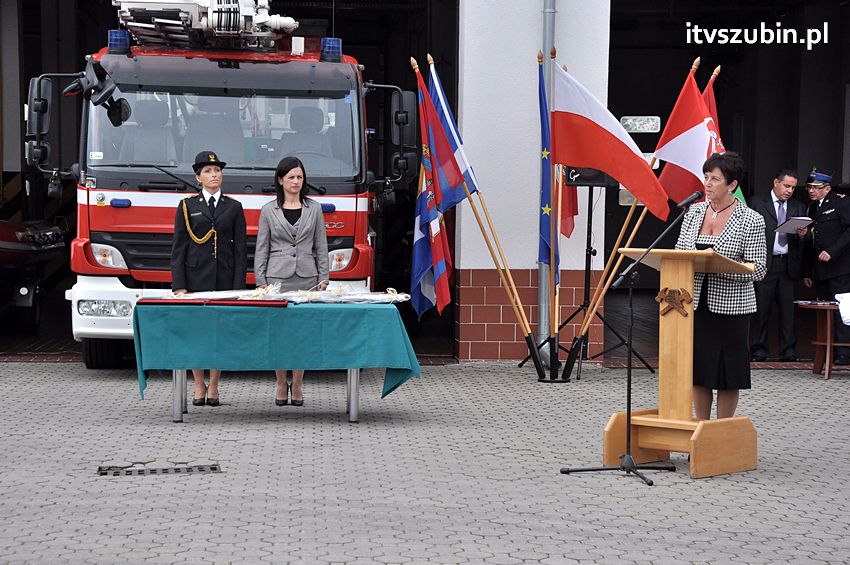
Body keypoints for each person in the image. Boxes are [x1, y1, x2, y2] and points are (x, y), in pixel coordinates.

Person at [675, 152, 766, 420]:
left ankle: (722, 433)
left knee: (728, 374)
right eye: (706, 177)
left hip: (732, 309)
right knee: (700, 371)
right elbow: (680, 251)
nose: (708, 183)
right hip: (696, 304)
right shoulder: (693, 212)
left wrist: (721, 266)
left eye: (715, 178)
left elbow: (758, 268)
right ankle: (701, 430)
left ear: (732, 185)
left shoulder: (751, 219)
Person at [171, 150, 248, 406]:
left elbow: (240, 251)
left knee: (219, 334)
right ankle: (198, 383)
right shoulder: (186, 206)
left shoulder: (234, 207)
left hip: (224, 280)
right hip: (195, 281)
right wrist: (179, 285)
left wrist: (239, 287)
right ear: (198, 177)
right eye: (208, 171)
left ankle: (214, 384)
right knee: (195, 334)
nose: (214, 175)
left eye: (217, 170)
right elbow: (178, 248)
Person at [254, 156, 329, 407]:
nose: (296, 181)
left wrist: (323, 277)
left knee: (302, 334)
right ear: (280, 180)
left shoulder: (315, 208)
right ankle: (279, 382)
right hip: (277, 279)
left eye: (299, 177)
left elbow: (321, 245)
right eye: (291, 177)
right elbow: (261, 248)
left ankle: (296, 384)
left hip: (307, 279)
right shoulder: (268, 210)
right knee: (279, 334)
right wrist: (260, 280)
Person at [749, 169, 807, 362]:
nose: (790, 190)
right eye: (786, 186)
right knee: (761, 309)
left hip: (787, 264)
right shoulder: (757, 202)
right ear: (776, 182)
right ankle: (758, 350)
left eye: (792, 187)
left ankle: (788, 351)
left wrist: (801, 235)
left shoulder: (798, 207)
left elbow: (803, 243)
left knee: (788, 312)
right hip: (766, 263)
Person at [801, 168, 850, 364]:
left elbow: (848, 232)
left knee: (842, 310)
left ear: (827, 188)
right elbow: (813, 242)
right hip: (820, 269)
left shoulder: (841, 203)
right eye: (809, 187)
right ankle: (827, 351)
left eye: (815, 187)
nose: (811, 191)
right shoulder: (811, 209)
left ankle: (844, 353)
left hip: (840, 268)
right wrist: (806, 270)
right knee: (824, 311)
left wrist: (833, 251)